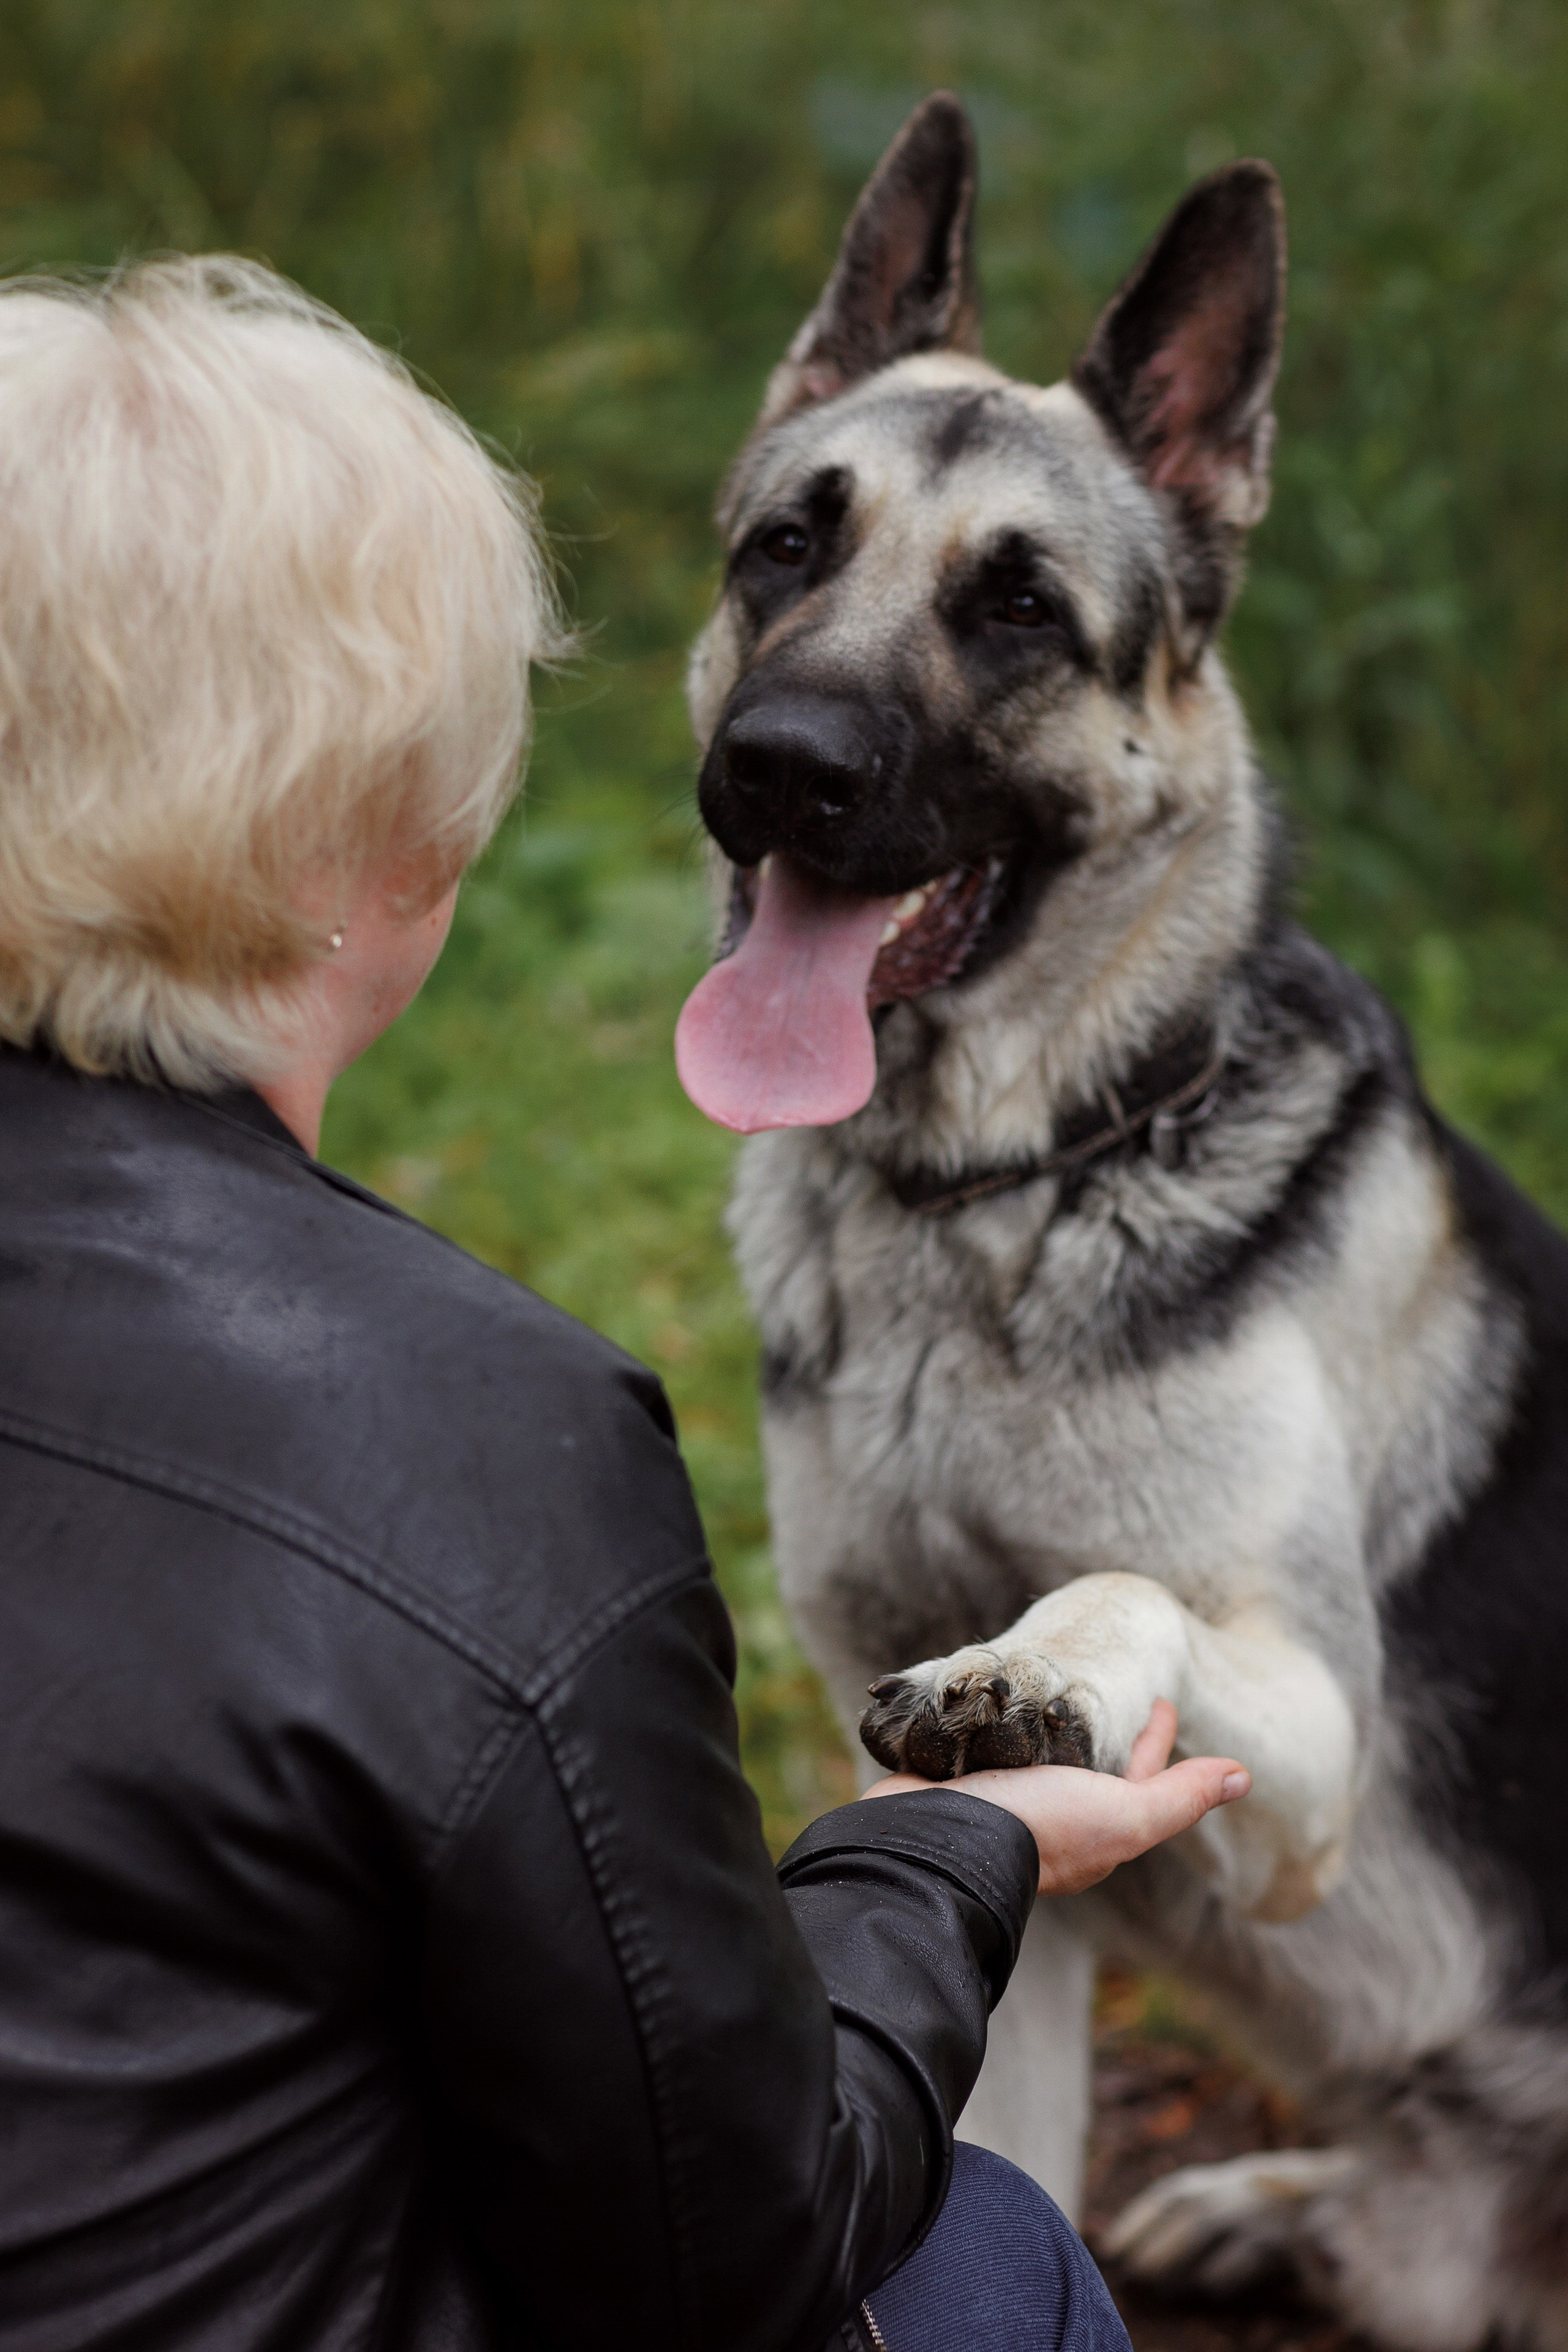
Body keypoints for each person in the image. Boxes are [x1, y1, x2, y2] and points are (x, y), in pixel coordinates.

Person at [0, 255, 1250, 2352]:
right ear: (398, 823)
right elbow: (735, 2238)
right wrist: (938, 1853)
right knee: (996, 2255)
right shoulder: (474, 1450)